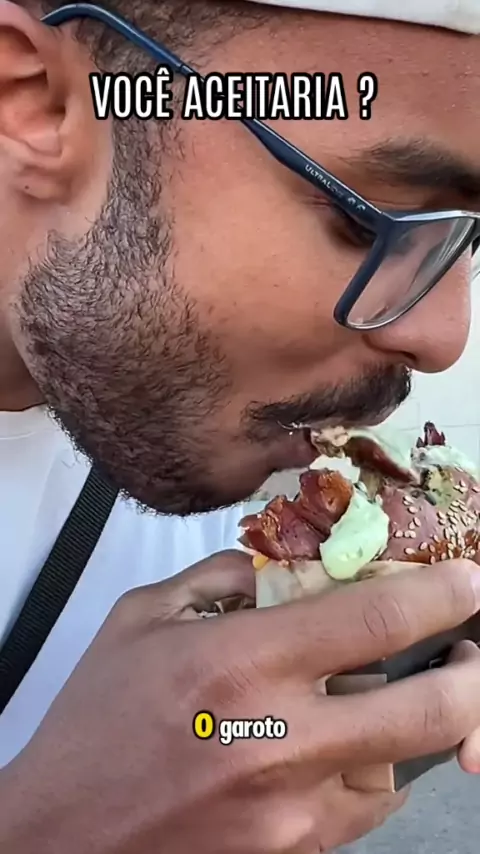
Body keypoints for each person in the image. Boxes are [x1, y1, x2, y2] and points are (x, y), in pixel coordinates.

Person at [0, 0, 480, 850]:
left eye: (464, 243)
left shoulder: (199, 454)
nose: (446, 338)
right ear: (34, 103)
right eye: (366, 221)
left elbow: (213, 735)